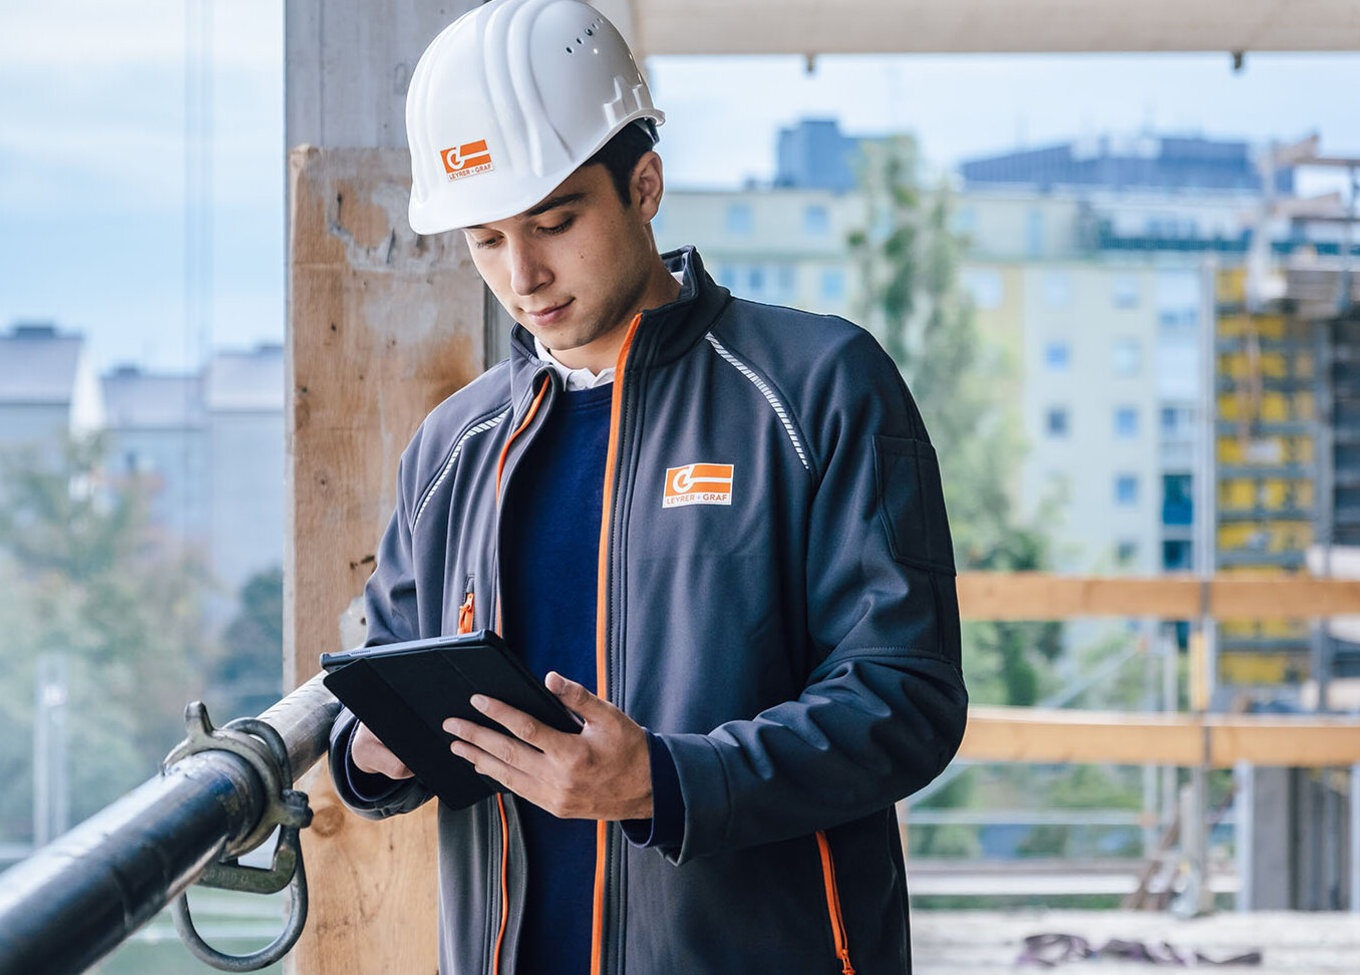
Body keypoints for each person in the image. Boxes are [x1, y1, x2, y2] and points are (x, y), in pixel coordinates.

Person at [323, 1, 968, 973]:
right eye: (486, 240)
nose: (524, 274)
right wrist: (371, 754)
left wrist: (666, 782)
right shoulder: (453, 446)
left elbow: (903, 700)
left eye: (554, 221)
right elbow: (376, 675)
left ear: (645, 184)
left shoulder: (815, 385)